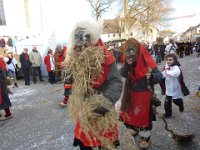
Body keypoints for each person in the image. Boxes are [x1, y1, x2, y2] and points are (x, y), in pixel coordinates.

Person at [65, 20, 123, 150]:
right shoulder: (76, 56)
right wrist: (69, 78)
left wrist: (105, 101)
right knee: (85, 142)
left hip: (102, 109)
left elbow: (116, 83)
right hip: (85, 110)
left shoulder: (106, 58)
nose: (82, 46)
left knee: (105, 142)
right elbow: (73, 77)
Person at [119, 38, 163, 149]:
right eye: (128, 52)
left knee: (143, 117)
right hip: (131, 94)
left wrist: (152, 77)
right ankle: (135, 128)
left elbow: (160, 76)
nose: (130, 54)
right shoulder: (128, 60)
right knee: (132, 114)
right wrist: (127, 66)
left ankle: (145, 137)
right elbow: (123, 74)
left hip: (144, 96)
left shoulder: (147, 60)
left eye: (132, 51)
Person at [161, 53, 189, 118]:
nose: (168, 61)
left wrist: (169, 73)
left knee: (176, 100)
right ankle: (168, 114)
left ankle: (181, 104)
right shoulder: (166, 66)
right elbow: (162, 74)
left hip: (175, 88)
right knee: (167, 102)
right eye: (167, 60)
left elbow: (175, 72)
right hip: (168, 87)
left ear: (174, 60)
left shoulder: (176, 67)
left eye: (170, 60)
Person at [0, 54, 13, 121]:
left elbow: (5, 67)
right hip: (2, 80)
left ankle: (8, 113)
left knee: (4, 97)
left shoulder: (1, 59)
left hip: (1, 82)